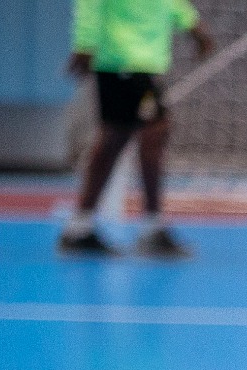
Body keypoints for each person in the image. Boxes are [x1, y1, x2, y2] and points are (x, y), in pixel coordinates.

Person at [61, 0, 212, 259]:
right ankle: (148, 227)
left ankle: (81, 227)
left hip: (144, 61)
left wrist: (192, 25)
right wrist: (85, 43)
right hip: (121, 58)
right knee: (147, 133)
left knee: (120, 138)